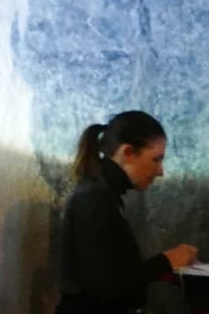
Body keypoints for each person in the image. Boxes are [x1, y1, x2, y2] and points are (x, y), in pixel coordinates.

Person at [56, 110, 198, 314]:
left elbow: (115, 272)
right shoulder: (94, 198)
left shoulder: (104, 194)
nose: (161, 171)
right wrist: (167, 261)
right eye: (156, 159)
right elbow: (109, 289)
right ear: (128, 153)